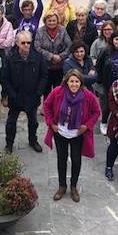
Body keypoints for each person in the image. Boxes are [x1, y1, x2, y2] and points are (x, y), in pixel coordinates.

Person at [43, 69, 101, 202]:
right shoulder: (58, 92)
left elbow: (96, 112)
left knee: (76, 160)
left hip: (77, 134)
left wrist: (86, 126)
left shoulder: (87, 95)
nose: (74, 84)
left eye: (77, 81)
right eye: (71, 81)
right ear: (66, 82)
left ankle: (73, 186)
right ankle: (62, 186)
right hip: (61, 133)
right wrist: (51, 124)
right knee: (61, 160)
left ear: (81, 83)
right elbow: (46, 106)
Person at [0, 31, 47, 154]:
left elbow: (44, 76)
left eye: (28, 42)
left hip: (32, 96)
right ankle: (9, 144)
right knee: (11, 122)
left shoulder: (38, 57)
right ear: (17, 43)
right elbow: (4, 79)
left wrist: (38, 92)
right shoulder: (10, 58)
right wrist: (11, 94)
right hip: (16, 97)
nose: (26, 45)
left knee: (33, 122)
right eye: (23, 43)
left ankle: (33, 140)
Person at [96, 30, 118, 131]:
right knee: (107, 104)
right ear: (112, 40)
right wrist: (100, 80)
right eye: (116, 39)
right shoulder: (105, 50)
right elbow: (99, 66)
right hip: (109, 82)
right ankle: (104, 122)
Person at [34, 12, 70, 97]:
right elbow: (37, 47)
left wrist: (61, 56)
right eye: (49, 21)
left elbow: (69, 46)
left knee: (58, 91)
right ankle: (47, 109)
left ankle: (57, 108)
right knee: (46, 91)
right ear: (45, 21)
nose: (52, 22)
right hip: (45, 66)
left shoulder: (62, 30)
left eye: (54, 20)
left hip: (60, 66)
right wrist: (51, 56)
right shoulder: (40, 31)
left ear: (57, 21)